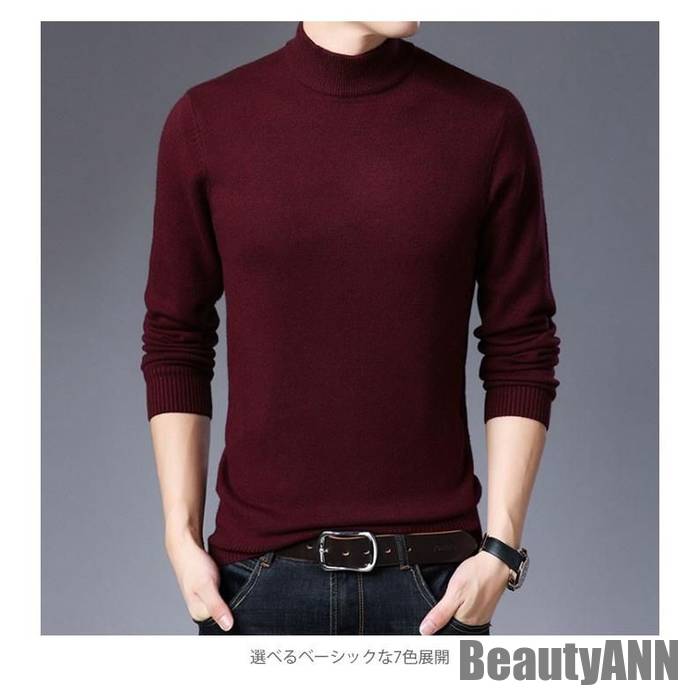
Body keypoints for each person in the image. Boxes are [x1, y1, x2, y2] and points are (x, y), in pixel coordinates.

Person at [140, 20, 561, 635]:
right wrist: (180, 538)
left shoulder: (486, 122)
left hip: (435, 586)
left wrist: (501, 548)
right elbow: (177, 336)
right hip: (255, 587)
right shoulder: (208, 121)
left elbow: (521, 342)